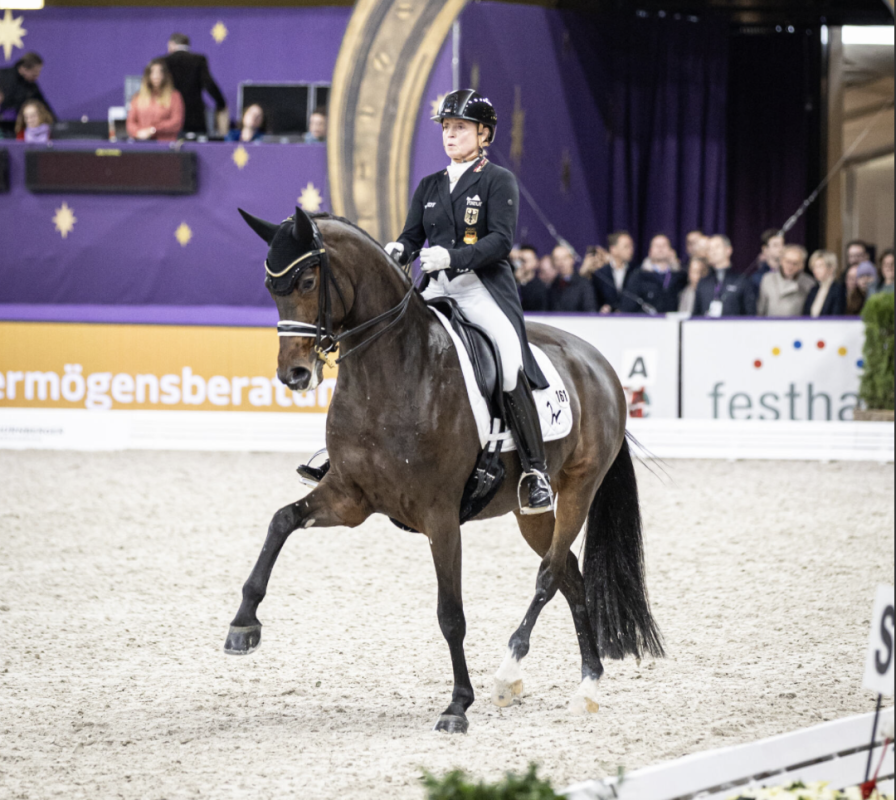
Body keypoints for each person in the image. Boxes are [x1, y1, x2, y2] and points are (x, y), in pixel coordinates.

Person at [387, 89, 553, 514]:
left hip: (481, 288)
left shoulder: (497, 180)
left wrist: (455, 257)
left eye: (460, 127)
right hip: (436, 287)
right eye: (446, 127)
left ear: (484, 134)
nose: (450, 134)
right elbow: (412, 236)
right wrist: (400, 251)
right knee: (385, 341)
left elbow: (500, 241)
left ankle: (536, 472)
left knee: (510, 359)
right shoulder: (429, 185)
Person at [163, 33, 227, 137]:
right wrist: (221, 103)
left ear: (171, 44)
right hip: (194, 117)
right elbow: (209, 84)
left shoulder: (163, 61)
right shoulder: (198, 60)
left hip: (168, 117)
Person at [692, 234, 757, 317]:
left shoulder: (742, 280)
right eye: (709, 249)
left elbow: (750, 314)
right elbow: (695, 315)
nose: (713, 251)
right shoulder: (703, 283)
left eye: (717, 247)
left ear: (728, 250)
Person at [126, 58, 185, 142]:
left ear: (165, 75)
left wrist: (153, 130)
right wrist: (138, 132)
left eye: (159, 72)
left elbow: (176, 123)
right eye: (152, 72)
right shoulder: (137, 97)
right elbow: (130, 123)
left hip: (165, 145)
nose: (156, 76)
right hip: (142, 144)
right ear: (147, 75)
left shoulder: (174, 96)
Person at [581, 231, 636, 313]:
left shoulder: (635, 272)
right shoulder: (600, 274)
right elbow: (593, 299)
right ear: (613, 249)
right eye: (626, 246)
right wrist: (601, 308)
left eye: (632, 246)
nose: (631, 250)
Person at [757, 244, 814, 317]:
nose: (790, 266)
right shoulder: (768, 279)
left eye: (795, 263)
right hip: (771, 325)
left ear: (801, 265)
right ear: (781, 261)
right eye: (788, 261)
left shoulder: (809, 283)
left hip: (796, 326)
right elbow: (761, 308)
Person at [0, 52, 55, 121]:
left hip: (17, 125)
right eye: (34, 73)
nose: (37, 76)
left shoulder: (32, 86)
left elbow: (43, 106)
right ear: (24, 69)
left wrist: (56, 124)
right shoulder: (2, 76)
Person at [547, 244, 598, 312]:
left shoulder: (584, 284)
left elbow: (590, 310)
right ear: (553, 262)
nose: (561, 263)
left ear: (572, 259)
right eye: (557, 259)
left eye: (564, 258)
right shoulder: (552, 285)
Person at [803, 250, 845, 317]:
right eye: (814, 267)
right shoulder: (813, 290)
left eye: (820, 266)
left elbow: (837, 315)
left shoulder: (838, 289)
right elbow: (806, 314)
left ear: (831, 268)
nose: (815, 270)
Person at [515, 245, 549, 312]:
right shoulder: (511, 283)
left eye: (525, 260)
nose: (521, 264)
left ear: (535, 262)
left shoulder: (540, 287)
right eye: (519, 260)